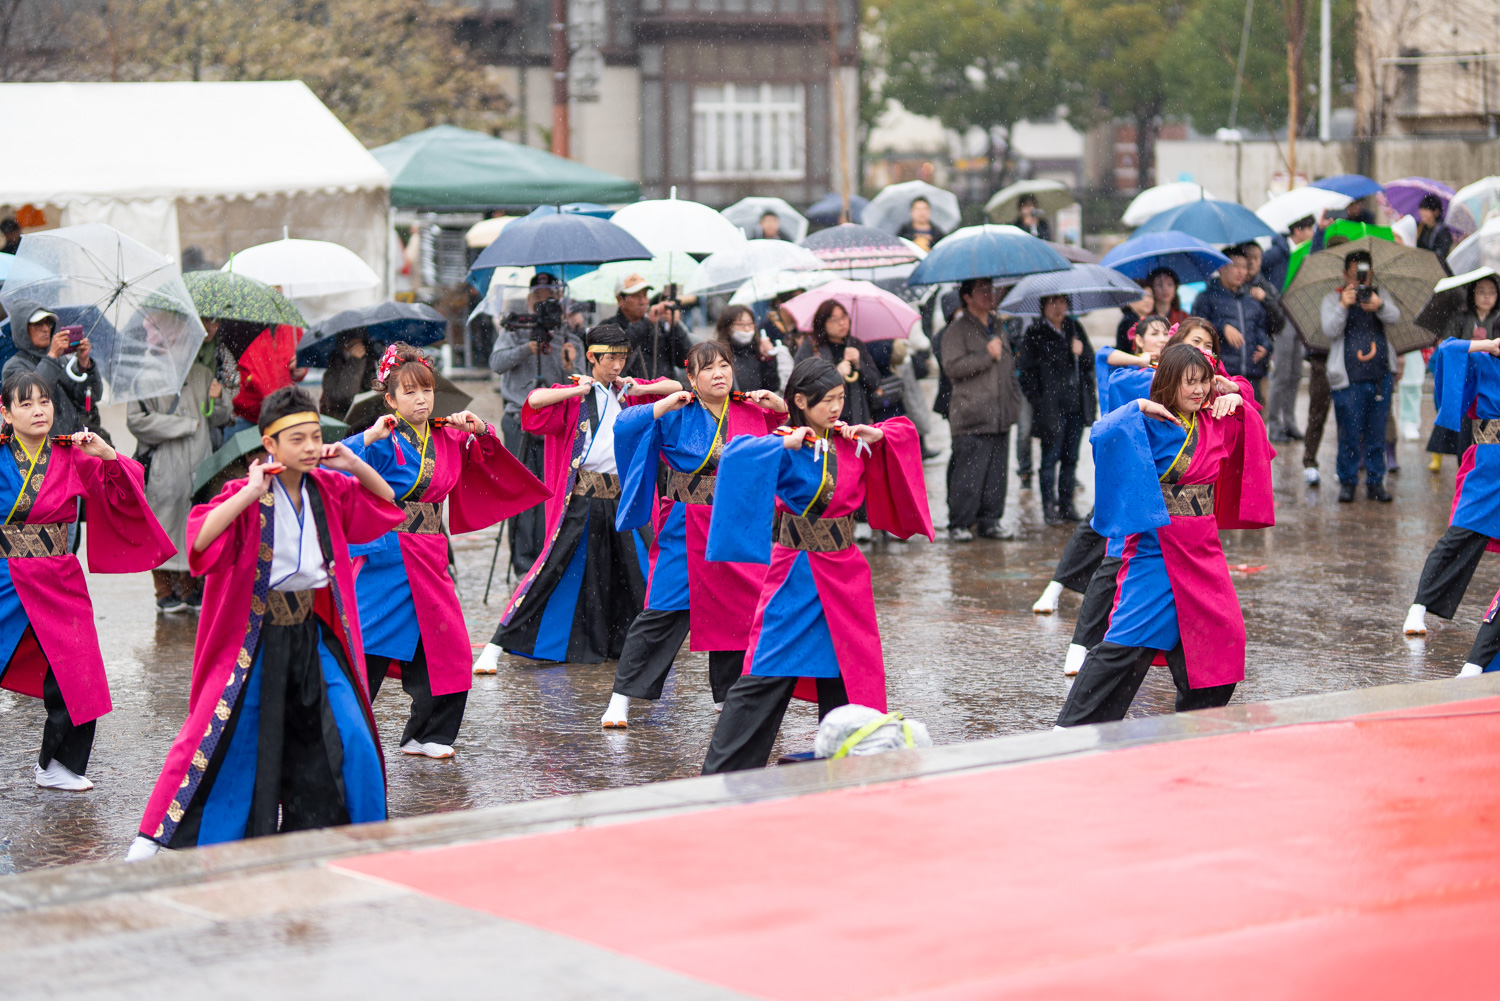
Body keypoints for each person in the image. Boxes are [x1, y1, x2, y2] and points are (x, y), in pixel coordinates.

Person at [129, 386, 402, 860]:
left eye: (315, 436)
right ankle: (156, 836)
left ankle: (357, 828)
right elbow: (199, 542)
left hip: (311, 633)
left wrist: (354, 463)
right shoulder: (245, 492)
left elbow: (386, 502)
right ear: (270, 445)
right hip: (253, 636)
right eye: (297, 439)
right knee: (222, 733)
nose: (311, 447)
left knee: (351, 730)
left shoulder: (330, 487)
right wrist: (251, 492)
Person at [699, 358, 935, 773]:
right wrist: (781, 445)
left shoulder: (852, 440)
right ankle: (725, 771)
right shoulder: (788, 442)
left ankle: (850, 758)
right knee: (766, 669)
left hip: (846, 574)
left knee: (849, 669)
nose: (836, 409)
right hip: (796, 573)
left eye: (841, 399)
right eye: (826, 401)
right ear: (801, 402)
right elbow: (736, 455)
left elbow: (905, 433)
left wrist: (876, 433)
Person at [346, 345, 550, 759]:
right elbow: (335, 465)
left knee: (448, 648)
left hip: (431, 553)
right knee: (365, 650)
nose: (421, 399)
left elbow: (491, 465)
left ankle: (429, 734)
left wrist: (481, 431)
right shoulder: (382, 436)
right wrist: (368, 437)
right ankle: (336, 732)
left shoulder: (448, 435)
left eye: (427, 390)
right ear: (390, 399)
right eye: (409, 393)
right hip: (387, 556)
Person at [1055, 343, 1274, 726]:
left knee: (1225, 635)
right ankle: (1071, 726)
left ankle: (1196, 718)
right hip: (1157, 549)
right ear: (1168, 382)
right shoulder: (1151, 422)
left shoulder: (1216, 419)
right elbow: (1102, 433)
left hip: (1203, 549)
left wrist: (1234, 394)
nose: (1197, 390)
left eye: (1203, 382)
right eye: (1188, 382)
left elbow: (1254, 416)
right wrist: (1137, 407)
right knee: (1127, 642)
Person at [0, 372, 172, 792]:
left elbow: (122, 495)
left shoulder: (72, 454)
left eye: (43, 401)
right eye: (25, 404)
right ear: (5, 413)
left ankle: (57, 764)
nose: (38, 410)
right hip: (7, 575)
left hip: (60, 578)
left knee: (80, 673)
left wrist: (108, 455)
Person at [600, 342, 787, 727]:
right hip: (685, 525)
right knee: (663, 609)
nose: (719, 374)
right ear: (691, 378)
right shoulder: (679, 411)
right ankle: (621, 697)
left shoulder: (751, 411)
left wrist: (781, 407)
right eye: (708, 369)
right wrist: (659, 404)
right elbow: (624, 427)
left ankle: (728, 695)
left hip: (735, 523)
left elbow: (790, 440)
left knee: (738, 607)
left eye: (724, 365)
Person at [479, 325, 680, 668]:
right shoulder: (576, 393)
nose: (617, 365)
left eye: (622, 358)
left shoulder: (628, 393)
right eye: (610, 359)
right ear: (591, 357)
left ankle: (632, 646)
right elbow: (533, 403)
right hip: (582, 497)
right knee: (552, 567)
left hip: (622, 498)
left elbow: (675, 388)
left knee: (639, 569)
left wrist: (633, 384)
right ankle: (496, 644)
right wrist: (576, 390)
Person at [1404, 276, 1500, 638]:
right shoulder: (1484, 359)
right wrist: (1487, 343)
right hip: (1489, 462)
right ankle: (1419, 607)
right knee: (1461, 535)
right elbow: (1446, 351)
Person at [128, 321, 235, 613]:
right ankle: (163, 590)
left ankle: (189, 587)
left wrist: (219, 398)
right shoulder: (145, 377)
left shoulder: (201, 374)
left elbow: (220, 417)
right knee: (163, 524)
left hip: (198, 463)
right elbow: (136, 422)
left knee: (193, 522)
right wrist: (183, 425)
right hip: (165, 464)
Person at [489, 272, 584, 577]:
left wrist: (572, 365)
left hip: (556, 424)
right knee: (520, 491)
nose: (545, 303)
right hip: (519, 419)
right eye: (539, 297)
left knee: (554, 490)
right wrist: (526, 349)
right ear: (530, 300)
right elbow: (496, 363)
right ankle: (523, 561)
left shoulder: (568, 336)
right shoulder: (516, 329)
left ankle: (550, 555)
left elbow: (583, 382)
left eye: (551, 298)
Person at [942, 278, 1021, 541]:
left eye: (991, 289)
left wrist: (1014, 399)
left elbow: (1007, 365)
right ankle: (960, 523)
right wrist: (986, 355)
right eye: (982, 291)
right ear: (967, 297)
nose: (989, 295)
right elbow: (953, 368)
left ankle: (990, 521)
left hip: (999, 413)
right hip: (972, 414)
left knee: (996, 474)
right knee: (968, 473)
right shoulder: (957, 329)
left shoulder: (997, 324)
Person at [1322, 249, 1400, 503]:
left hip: (1379, 377)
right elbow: (1330, 329)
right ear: (1345, 274)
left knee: (1377, 433)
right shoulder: (1333, 299)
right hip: (1348, 380)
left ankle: (1376, 482)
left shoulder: (1379, 295)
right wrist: (1344, 305)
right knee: (1349, 434)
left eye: (1364, 275)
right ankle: (1348, 481)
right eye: (1355, 275)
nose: (1360, 281)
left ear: (1372, 273)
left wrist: (1380, 305)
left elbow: (1395, 317)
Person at [1018, 294, 1096, 525]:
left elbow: (1090, 362)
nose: (1057, 307)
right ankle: (1048, 507)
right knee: (1050, 458)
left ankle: (1066, 504)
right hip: (1051, 408)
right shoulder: (1034, 333)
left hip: (1076, 405)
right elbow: (1027, 373)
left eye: (1062, 301)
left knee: (1070, 457)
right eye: (1052, 302)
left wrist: (1081, 353)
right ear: (1042, 306)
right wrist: (1039, 401)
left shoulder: (1074, 327)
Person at [3, 303, 105, 437]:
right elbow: (32, 394)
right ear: (23, 330)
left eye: (48, 324)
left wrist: (84, 363)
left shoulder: (61, 360)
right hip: (40, 446)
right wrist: (52, 357)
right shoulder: (13, 366)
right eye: (38, 324)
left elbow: (91, 397)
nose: (46, 329)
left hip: (72, 443)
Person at [1192, 246, 1274, 408]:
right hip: (1221, 376)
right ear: (1222, 268)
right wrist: (1223, 327)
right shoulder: (1206, 298)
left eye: (1244, 267)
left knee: (1251, 422)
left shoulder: (1251, 299)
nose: (1241, 271)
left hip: (1251, 375)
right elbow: (1195, 329)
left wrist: (1265, 347)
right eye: (1235, 266)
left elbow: (1261, 329)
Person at [794, 300, 881, 425]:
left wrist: (859, 364)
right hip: (824, 418)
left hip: (857, 414)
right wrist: (835, 374)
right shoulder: (811, 346)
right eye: (834, 320)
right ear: (822, 323)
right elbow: (801, 382)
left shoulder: (855, 344)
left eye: (844, 317)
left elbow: (874, 382)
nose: (841, 323)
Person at [604, 272, 694, 382]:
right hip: (628, 395)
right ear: (620, 300)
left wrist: (674, 325)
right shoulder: (608, 326)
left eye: (645, 295)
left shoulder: (659, 324)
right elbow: (620, 349)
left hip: (664, 394)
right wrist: (648, 322)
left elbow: (685, 360)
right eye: (636, 296)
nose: (642, 301)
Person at [717, 305, 782, 392]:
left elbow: (772, 386)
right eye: (741, 325)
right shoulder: (720, 355)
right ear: (728, 328)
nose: (747, 329)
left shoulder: (757, 352)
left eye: (750, 324)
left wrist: (768, 359)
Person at [319, 328, 379, 419]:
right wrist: (355, 361)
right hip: (343, 425)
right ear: (345, 347)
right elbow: (345, 396)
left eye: (362, 344)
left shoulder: (370, 363)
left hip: (368, 421)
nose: (360, 350)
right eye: (354, 346)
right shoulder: (332, 372)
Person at [1261, 215, 1315, 293]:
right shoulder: (1277, 251)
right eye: (1309, 229)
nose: (1312, 233)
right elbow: (1258, 267)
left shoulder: (1301, 250)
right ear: (1297, 231)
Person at [1416, 193, 1454, 266]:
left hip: (1436, 267)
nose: (1422, 212)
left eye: (1426, 209)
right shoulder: (1421, 227)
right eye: (1421, 209)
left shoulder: (1443, 231)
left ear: (1436, 212)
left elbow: (1441, 254)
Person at [1115, 286, 1156, 352]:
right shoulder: (1129, 321)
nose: (1147, 300)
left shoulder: (1146, 320)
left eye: (1149, 296)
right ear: (1130, 301)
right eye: (1141, 296)